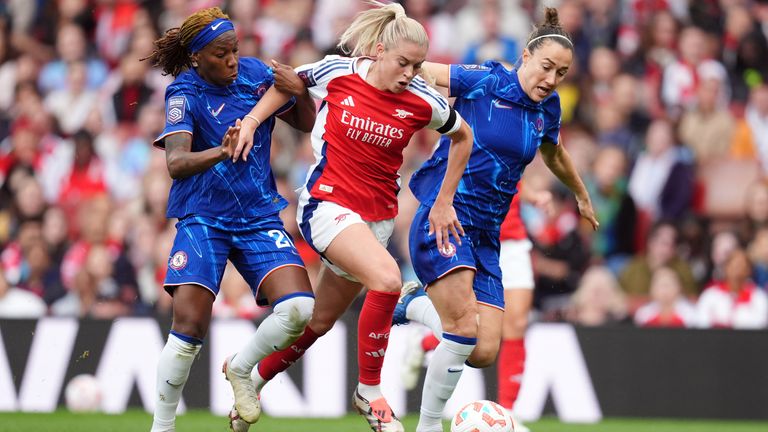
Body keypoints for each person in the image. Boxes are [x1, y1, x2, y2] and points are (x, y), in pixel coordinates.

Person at [230, 3, 473, 431]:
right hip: (326, 204)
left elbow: (463, 136)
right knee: (388, 280)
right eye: (403, 62)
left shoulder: (422, 100)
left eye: (418, 64)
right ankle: (370, 392)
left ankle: (252, 376)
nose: (411, 72)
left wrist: (444, 200)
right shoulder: (336, 71)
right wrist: (251, 122)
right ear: (379, 50)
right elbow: (287, 84)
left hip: (374, 221)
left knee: (319, 322)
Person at [393, 8, 598, 431]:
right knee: (463, 327)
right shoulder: (487, 79)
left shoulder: (548, 108)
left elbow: (554, 152)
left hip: (489, 233)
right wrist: (378, 66)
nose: (551, 79)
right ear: (525, 56)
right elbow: (421, 71)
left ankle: (412, 303)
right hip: (446, 216)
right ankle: (428, 425)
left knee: (484, 349)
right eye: (546, 67)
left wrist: (580, 193)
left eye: (561, 73)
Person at [142, 8, 318, 432]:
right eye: (222, 54)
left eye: (235, 50)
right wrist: (223, 149)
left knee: (298, 308)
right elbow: (177, 162)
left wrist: (302, 92)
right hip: (204, 217)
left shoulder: (256, 75)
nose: (233, 60)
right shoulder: (184, 93)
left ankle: (241, 368)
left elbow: (307, 121)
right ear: (198, 56)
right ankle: (162, 427)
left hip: (258, 215)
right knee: (189, 327)